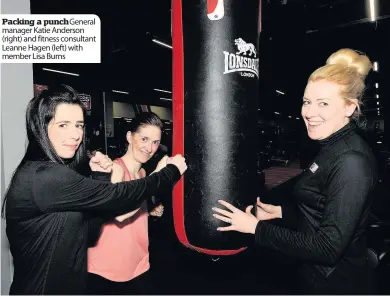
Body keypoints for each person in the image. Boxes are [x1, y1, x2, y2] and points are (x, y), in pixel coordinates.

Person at [212, 48, 379, 294]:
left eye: (323, 103)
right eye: (307, 101)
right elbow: (324, 210)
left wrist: (256, 228)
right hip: (314, 276)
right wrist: (281, 213)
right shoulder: (330, 146)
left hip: (335, 284)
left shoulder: (351, 161)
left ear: (349, 108)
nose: (309, 113)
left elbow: (328, 248)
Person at [2, 84, 187, 295]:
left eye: (79, 125)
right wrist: (169, 173)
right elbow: (119, 198)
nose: (74, 135)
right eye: (63, 125)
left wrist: (100, 177)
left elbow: (88, 234)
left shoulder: (56, 177)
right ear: (41, 127)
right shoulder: (44, 177)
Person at [87, 112, 167, 295]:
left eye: (155, 142)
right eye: (144, 139)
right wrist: (158, 178)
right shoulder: (116, 169)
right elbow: (120, 214)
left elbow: (135, 206)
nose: (150, 147)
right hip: (107, 270)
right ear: (130, 137)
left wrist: (149, 210)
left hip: (138, 264)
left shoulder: (142, 174)